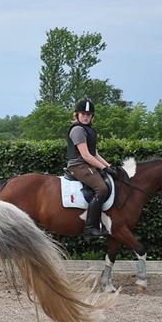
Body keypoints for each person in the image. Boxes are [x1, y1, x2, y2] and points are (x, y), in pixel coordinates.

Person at [66, 98, 113, 237]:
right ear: (77, 115)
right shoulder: (78, 130)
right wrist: (104, 169)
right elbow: (86, 156)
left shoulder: (89, 130)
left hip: (87, 164)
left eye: (89, 114)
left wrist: (109, 167)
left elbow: (95, 154)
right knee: (102, 188)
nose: (86, 117)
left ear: (92, 116)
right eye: (83, 114)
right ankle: (90, 227)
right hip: (78, 165)